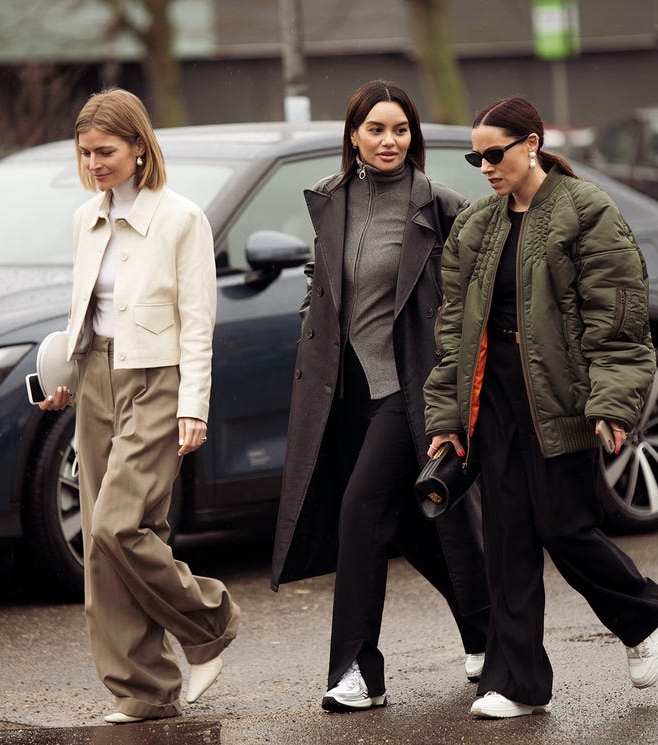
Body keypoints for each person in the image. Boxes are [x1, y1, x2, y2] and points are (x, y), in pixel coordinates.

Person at [423, 95, 658, 720]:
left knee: (565, 529)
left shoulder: (587, 212)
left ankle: (641, 614)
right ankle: (518, 683)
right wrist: (448, 417)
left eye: (495, 153)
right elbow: (454, 328)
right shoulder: (476, 225)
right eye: (475, 156)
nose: (484, 166)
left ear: (532, 142)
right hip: (496, 399)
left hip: (561, 398)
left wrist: (612, 403)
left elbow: (617, 318)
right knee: (506, 540)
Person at [270, 79, 490, 713]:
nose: (389, 141)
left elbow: (465, 306)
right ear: (353, 136)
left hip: (410, 389)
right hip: (346, 393)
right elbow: (327, 291)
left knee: (360, 513)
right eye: (376, 130)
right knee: (421, 528)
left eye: (400, 130)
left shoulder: (441, 207)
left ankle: (357, 672)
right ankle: (487, 634)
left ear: (413, 137)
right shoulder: (331, 203)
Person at [38, 87, 240, 724]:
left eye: (106, 150)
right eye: (86, 152)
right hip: (95, 378)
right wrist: (64, 373)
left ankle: (210, 623)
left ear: (138, 148)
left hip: (157, 380)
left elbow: (198, 321)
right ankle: (143, 689)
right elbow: (84, 311)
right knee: (105, 548)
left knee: (117, 525)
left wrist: (194, 404)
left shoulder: (181, 218)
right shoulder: (83, 218)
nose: (95, 162)